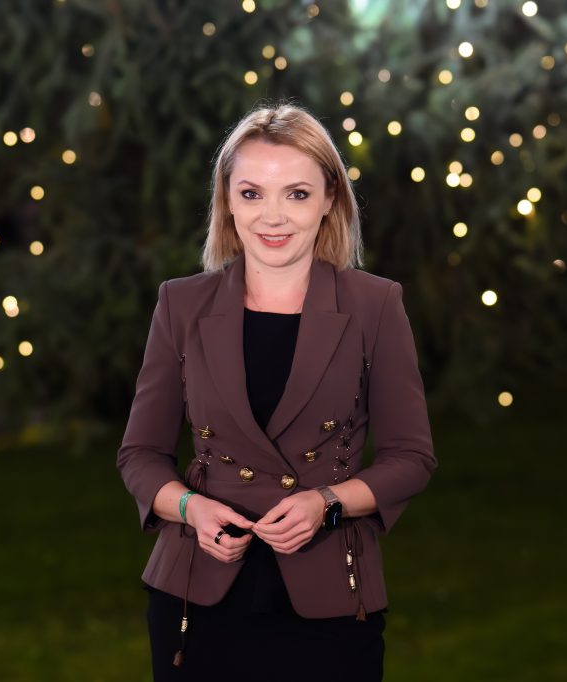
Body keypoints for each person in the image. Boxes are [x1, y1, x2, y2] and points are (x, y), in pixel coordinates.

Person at [117, 101, 437, 681]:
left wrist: (326, 502)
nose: (273, 217)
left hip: (331, 597)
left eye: (296, 193)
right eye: (251, 193)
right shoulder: (180, 304)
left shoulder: (375, 304)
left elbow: (411, 458)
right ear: (227, 200)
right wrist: (190, 509)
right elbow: (139, 455)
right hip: (196, 598)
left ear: (329, 199)